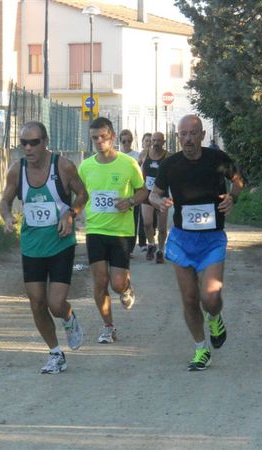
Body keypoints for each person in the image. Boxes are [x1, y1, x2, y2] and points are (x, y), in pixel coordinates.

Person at [149, 114, 245, 371]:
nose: (188, 139)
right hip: (181, 240)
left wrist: (232, 198)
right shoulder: (170, 165)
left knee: (210, 297)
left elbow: (238, 180)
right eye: (183, 134)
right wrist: (157, 201)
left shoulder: (217, 159)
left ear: (202, 135)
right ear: (177, 137)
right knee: (190, 299)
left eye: (193, 133)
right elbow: (154, 194)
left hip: (212, 239)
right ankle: (201, 349)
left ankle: (215, 316)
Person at [0, 121, 88, 374]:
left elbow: (83, 194)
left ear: (45, 142)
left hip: (60, 242)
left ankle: (69, 317)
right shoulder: (17, 171)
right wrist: (7, 217)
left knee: (56, 304)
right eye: (23, 143)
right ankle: (55, 353)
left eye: (33, 142)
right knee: (37, 303)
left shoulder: (63, 166)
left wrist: (70, 214)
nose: (28, 148)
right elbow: (5, 201)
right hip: (31, 245)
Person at [78, 117, 148, 343]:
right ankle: (108, 327)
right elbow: (81, 195)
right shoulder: (86, 166)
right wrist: (71, 213)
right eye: (94, 138)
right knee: (100, 282)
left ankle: (126, 288)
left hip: (121, 231)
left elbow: (143, 191)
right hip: (96, 230)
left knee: (117, 283)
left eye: (103, 137)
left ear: (112, 137)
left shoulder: (128, 163)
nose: (99, 142)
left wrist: (130, 201)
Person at [141, 131, 169, 264]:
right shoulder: (144, 154)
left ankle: (161, 250)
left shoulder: (168, 156)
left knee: (162, 228)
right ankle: (151, 244)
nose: (156, 143)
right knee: (147, 223)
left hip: (162, 195)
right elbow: (135, 168)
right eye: (154, 140)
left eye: (159, 141)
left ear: (163, 142)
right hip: (146, 193)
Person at [119, 129, 141, 256]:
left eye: (129, 141)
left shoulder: (137, 156)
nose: (126, 143)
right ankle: (121, 247)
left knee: (133, 220)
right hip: (121, 192)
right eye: (124, 141)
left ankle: (130, 248)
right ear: (120, 141)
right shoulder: (116, 156)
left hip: (134, 192)